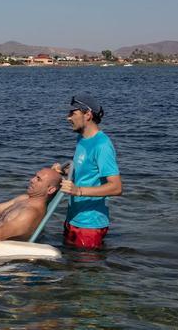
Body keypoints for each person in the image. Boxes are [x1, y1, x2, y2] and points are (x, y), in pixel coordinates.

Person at [53, 93, 122, 249]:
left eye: (73, 113)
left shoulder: (102, 145)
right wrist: (63, 171)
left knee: (86, 271)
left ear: (88, 115)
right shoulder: (82, 139)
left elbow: (116, 187)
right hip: (73, 217)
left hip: (90, 224)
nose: (68, 118)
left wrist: (78, 191)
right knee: (70, 267)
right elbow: (86, 170)